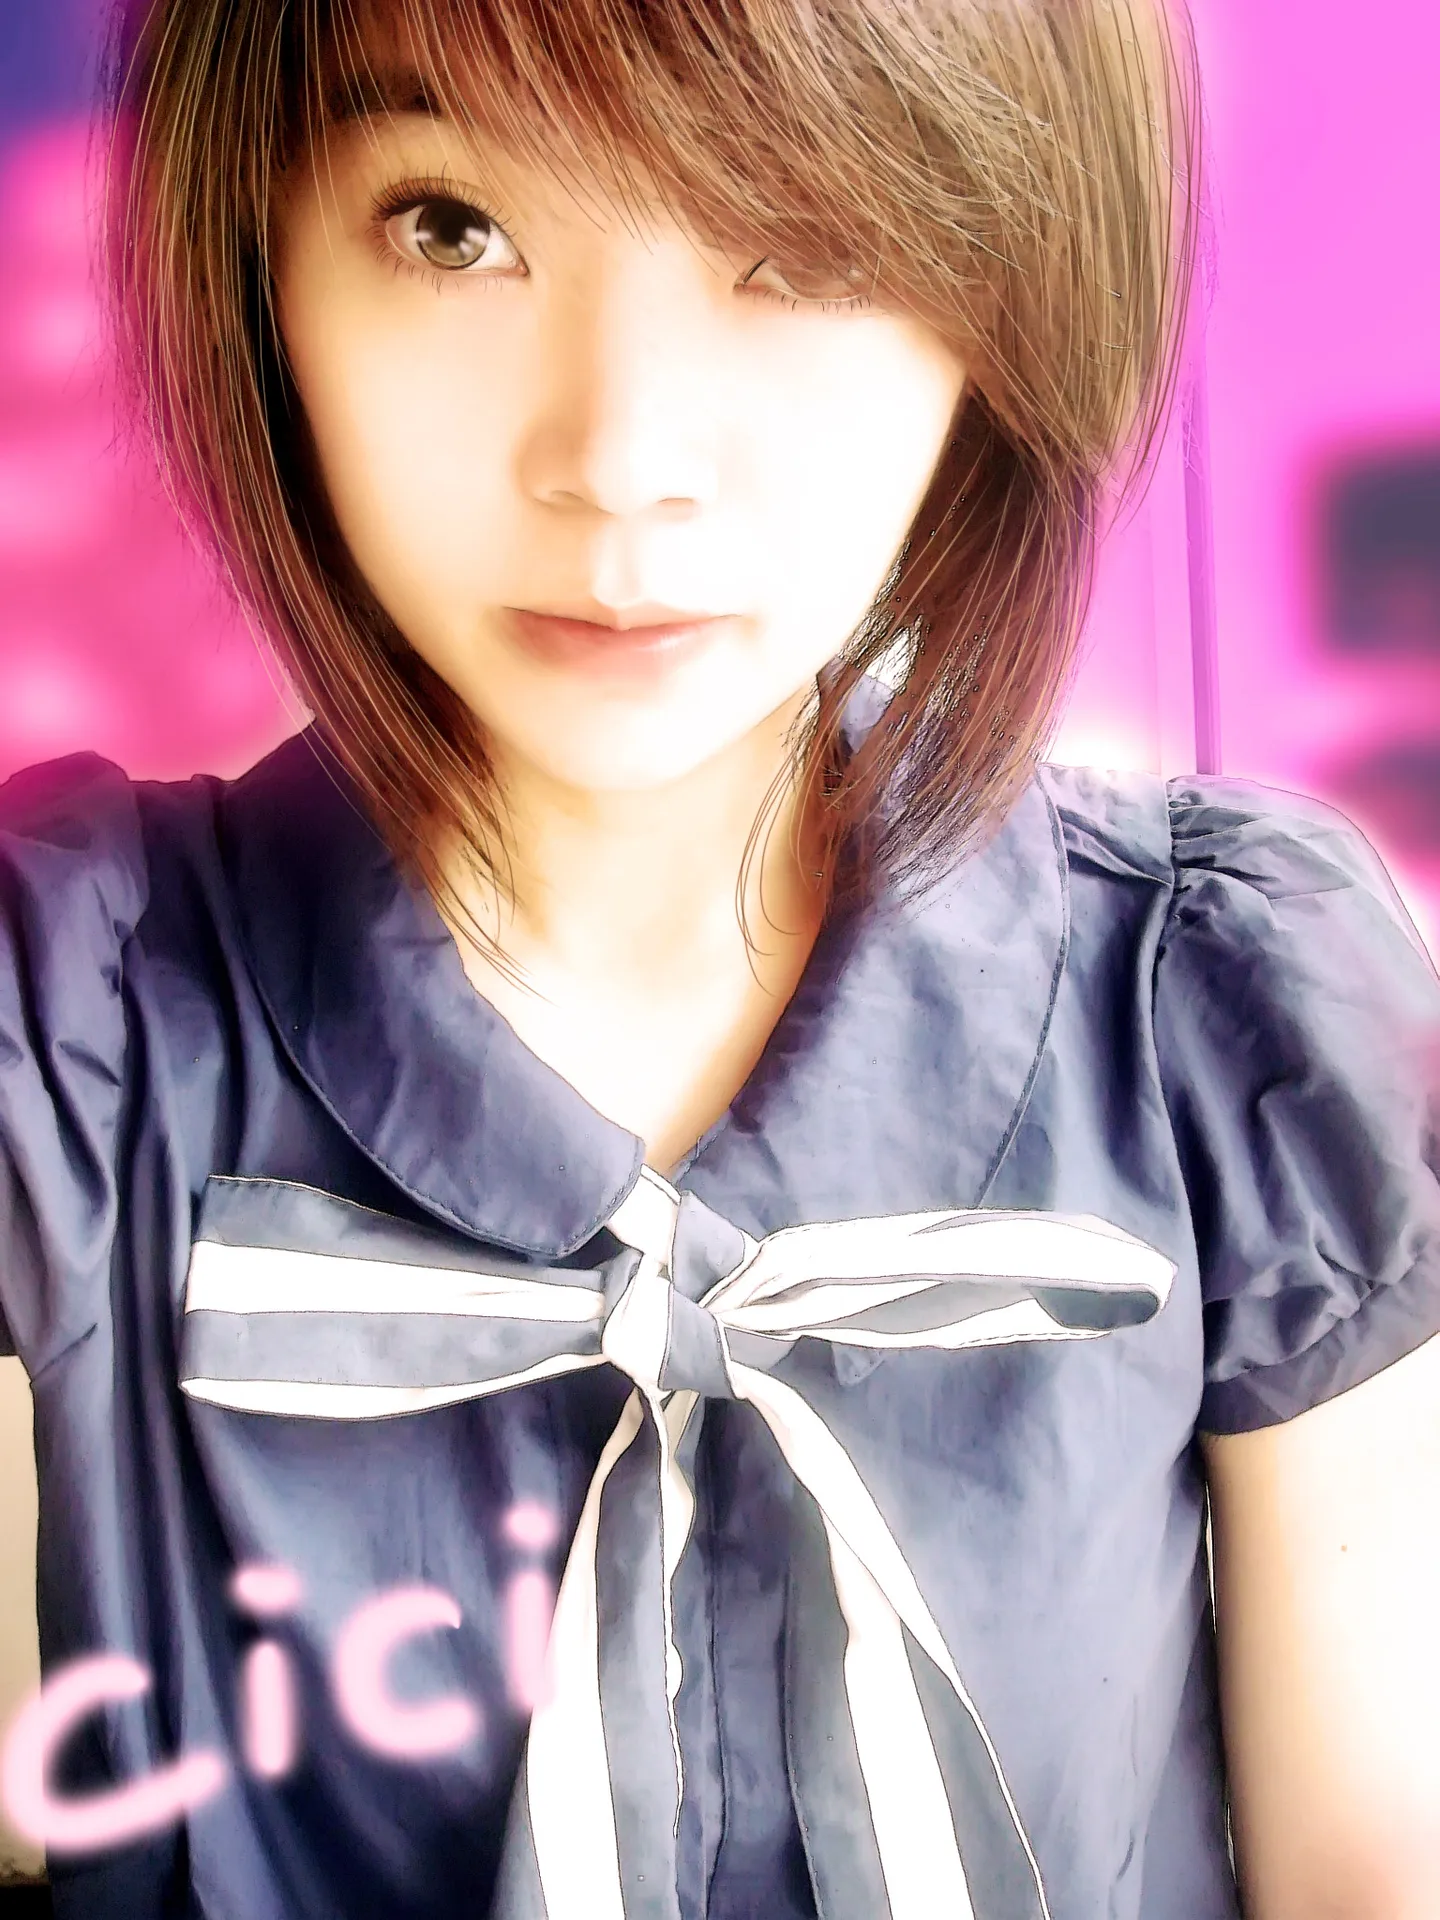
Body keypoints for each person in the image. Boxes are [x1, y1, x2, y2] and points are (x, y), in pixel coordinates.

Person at [1, 0, 1437, 1914]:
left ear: (1005, 278)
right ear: (262, 262)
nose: (621, 458)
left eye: (803, 242)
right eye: (451, 226)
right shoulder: (67, 1035)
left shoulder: (1227, 1016)